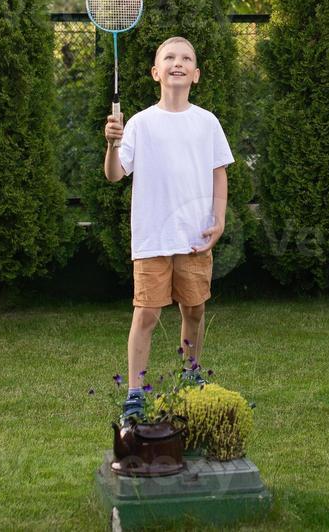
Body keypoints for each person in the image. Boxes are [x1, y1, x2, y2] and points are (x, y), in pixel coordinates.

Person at [104, 35, 234, 421]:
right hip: (152, 240)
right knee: (145, 315)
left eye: (186, 58)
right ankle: (134, 395)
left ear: (195, 75)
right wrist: (112, 144)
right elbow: (114, 175)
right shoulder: (140, 124)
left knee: (194, 310)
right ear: (155, 72)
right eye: (169, 58)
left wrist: (219, 219)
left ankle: (190, 377)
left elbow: (219, 173)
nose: (178, 63)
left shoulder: (207, 122)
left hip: (193, 237)